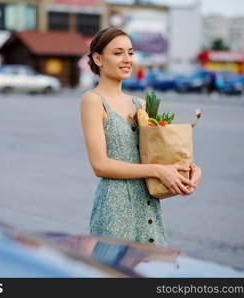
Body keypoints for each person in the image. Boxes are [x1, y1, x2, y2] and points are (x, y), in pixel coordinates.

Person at [80, 27, 202, 247]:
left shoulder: (142, 104)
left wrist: (191, 170)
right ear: (98, 58)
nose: (127, 59)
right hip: (114, 210)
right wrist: (157, 171)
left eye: (130, 52)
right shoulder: (93, 101)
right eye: (118, 53)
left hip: (148, 206)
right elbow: (100, 165)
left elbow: (166, 152)